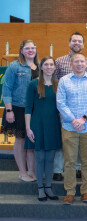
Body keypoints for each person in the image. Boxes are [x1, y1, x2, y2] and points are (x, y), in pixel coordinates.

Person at [56, 53, 87, 205]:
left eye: (82, 61)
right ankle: (70, 191)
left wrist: (83, 118)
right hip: (69, 126)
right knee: (69, 160)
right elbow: (61, 103)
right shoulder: (64, 80)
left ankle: (86, 191)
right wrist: (73, 120)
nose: (79, 64)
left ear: (86, 63)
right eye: (76, 61)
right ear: (72, 63)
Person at [54, 32, 87, 181]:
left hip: (83, 112)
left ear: (83, 44)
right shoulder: (59, 61)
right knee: (63, 140)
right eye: (74, 41)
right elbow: (54, 84)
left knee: (78, 140)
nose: (77, 43)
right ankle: (58, 168)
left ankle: (78, 167)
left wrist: (82, 116)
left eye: (80, 41)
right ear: (69, 43)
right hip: (64, 110)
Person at [25, 56, 61, 201]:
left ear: (55, 67)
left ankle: (48, 187)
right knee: (40, 158)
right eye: (46, 64)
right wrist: (28, 128)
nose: (49, 67)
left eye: (51, 64)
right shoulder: (33, 85)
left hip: (53, 124)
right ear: (41, 67)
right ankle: (40, 187)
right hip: (37, 124)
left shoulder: (58, 84)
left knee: (50, 158)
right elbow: (28, 108)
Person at [2, 39, 39, 182]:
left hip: (35, 109)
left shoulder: (39, 67)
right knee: (20, 139)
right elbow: (7, 88)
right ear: (22, 50)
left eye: (33, 48)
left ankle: (31, 171)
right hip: (17, 107)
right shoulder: (14, 66)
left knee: (32, 140)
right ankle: (22, 172)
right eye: (27, 48)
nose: (30, 50)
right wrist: (9, 109)